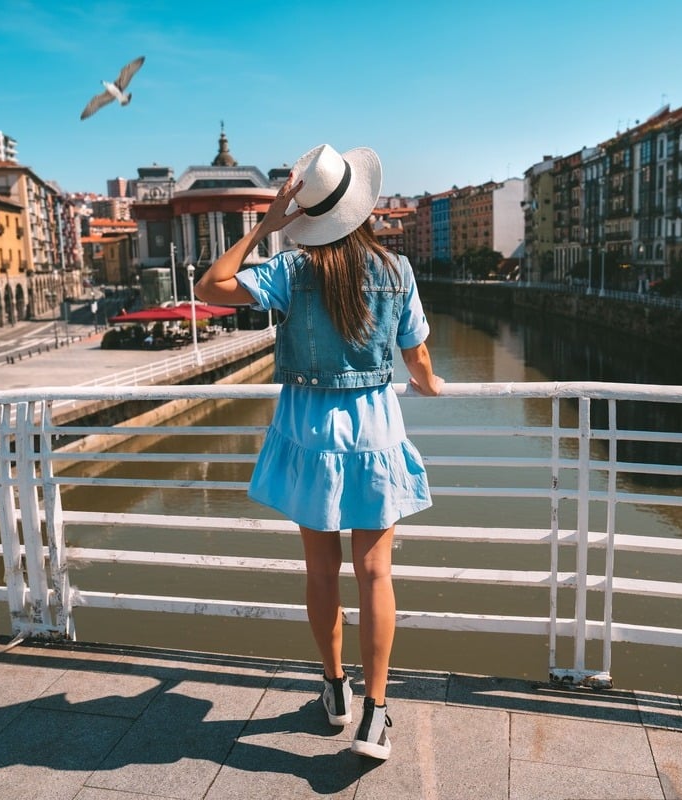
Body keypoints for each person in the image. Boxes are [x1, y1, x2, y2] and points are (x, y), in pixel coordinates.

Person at [195, 143, 444, 761]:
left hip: (310, 433)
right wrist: (430, 384)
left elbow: (211, 286)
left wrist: (265, 225)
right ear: (359, 209)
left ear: (309, 216)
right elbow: (417, 357)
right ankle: (378, 715)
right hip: (375, 432)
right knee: (376, 574)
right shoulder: (397, 271)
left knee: (319, 572)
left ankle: (335, 693)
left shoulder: (290, 271)